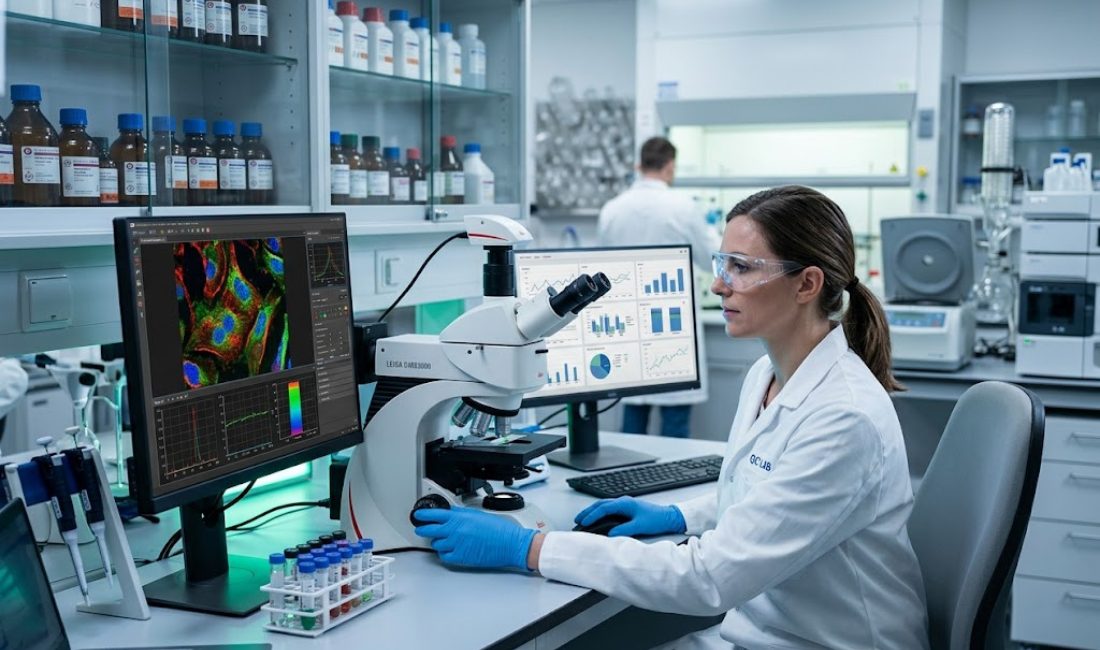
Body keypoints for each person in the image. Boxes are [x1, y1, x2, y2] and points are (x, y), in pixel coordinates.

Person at [415, 186, 930, 649]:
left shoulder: (844, 418)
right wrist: (678, 517)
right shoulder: (767, 375)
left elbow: (709, 578)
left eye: (742, 268)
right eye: (722, 263)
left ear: (806, 284)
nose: (719, 285)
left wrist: (530, 548)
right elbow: (762, 501)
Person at [596, 136, 720, 438]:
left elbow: (602, 266)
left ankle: (629, 468)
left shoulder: (612, 209)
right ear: (670, 166)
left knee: (632, 421)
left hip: (629, 323)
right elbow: (713, 259)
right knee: (675, 423)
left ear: (638, 165)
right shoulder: (683, 207)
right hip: (671, 327)